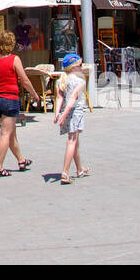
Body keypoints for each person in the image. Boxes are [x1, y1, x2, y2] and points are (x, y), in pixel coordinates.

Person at [0, 30, 41, 177]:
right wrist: (35, 95)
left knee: (11, 133)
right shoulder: (14, 59)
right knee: (5, 133)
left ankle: (21, 160)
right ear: (11, 44)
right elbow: (24, 80)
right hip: (9, 98)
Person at [53, 53, 89, 184]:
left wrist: (57, 112)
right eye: (80, 65)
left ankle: (80, 169)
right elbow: (73, 98)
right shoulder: (80, 81)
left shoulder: (61, 80)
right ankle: (65, 172)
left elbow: (59, 98)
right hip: (74, 112)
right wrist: (63, 115)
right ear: (73, 67)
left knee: (75, 142)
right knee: (72, 141)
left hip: (66, 112)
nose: (82, 67)